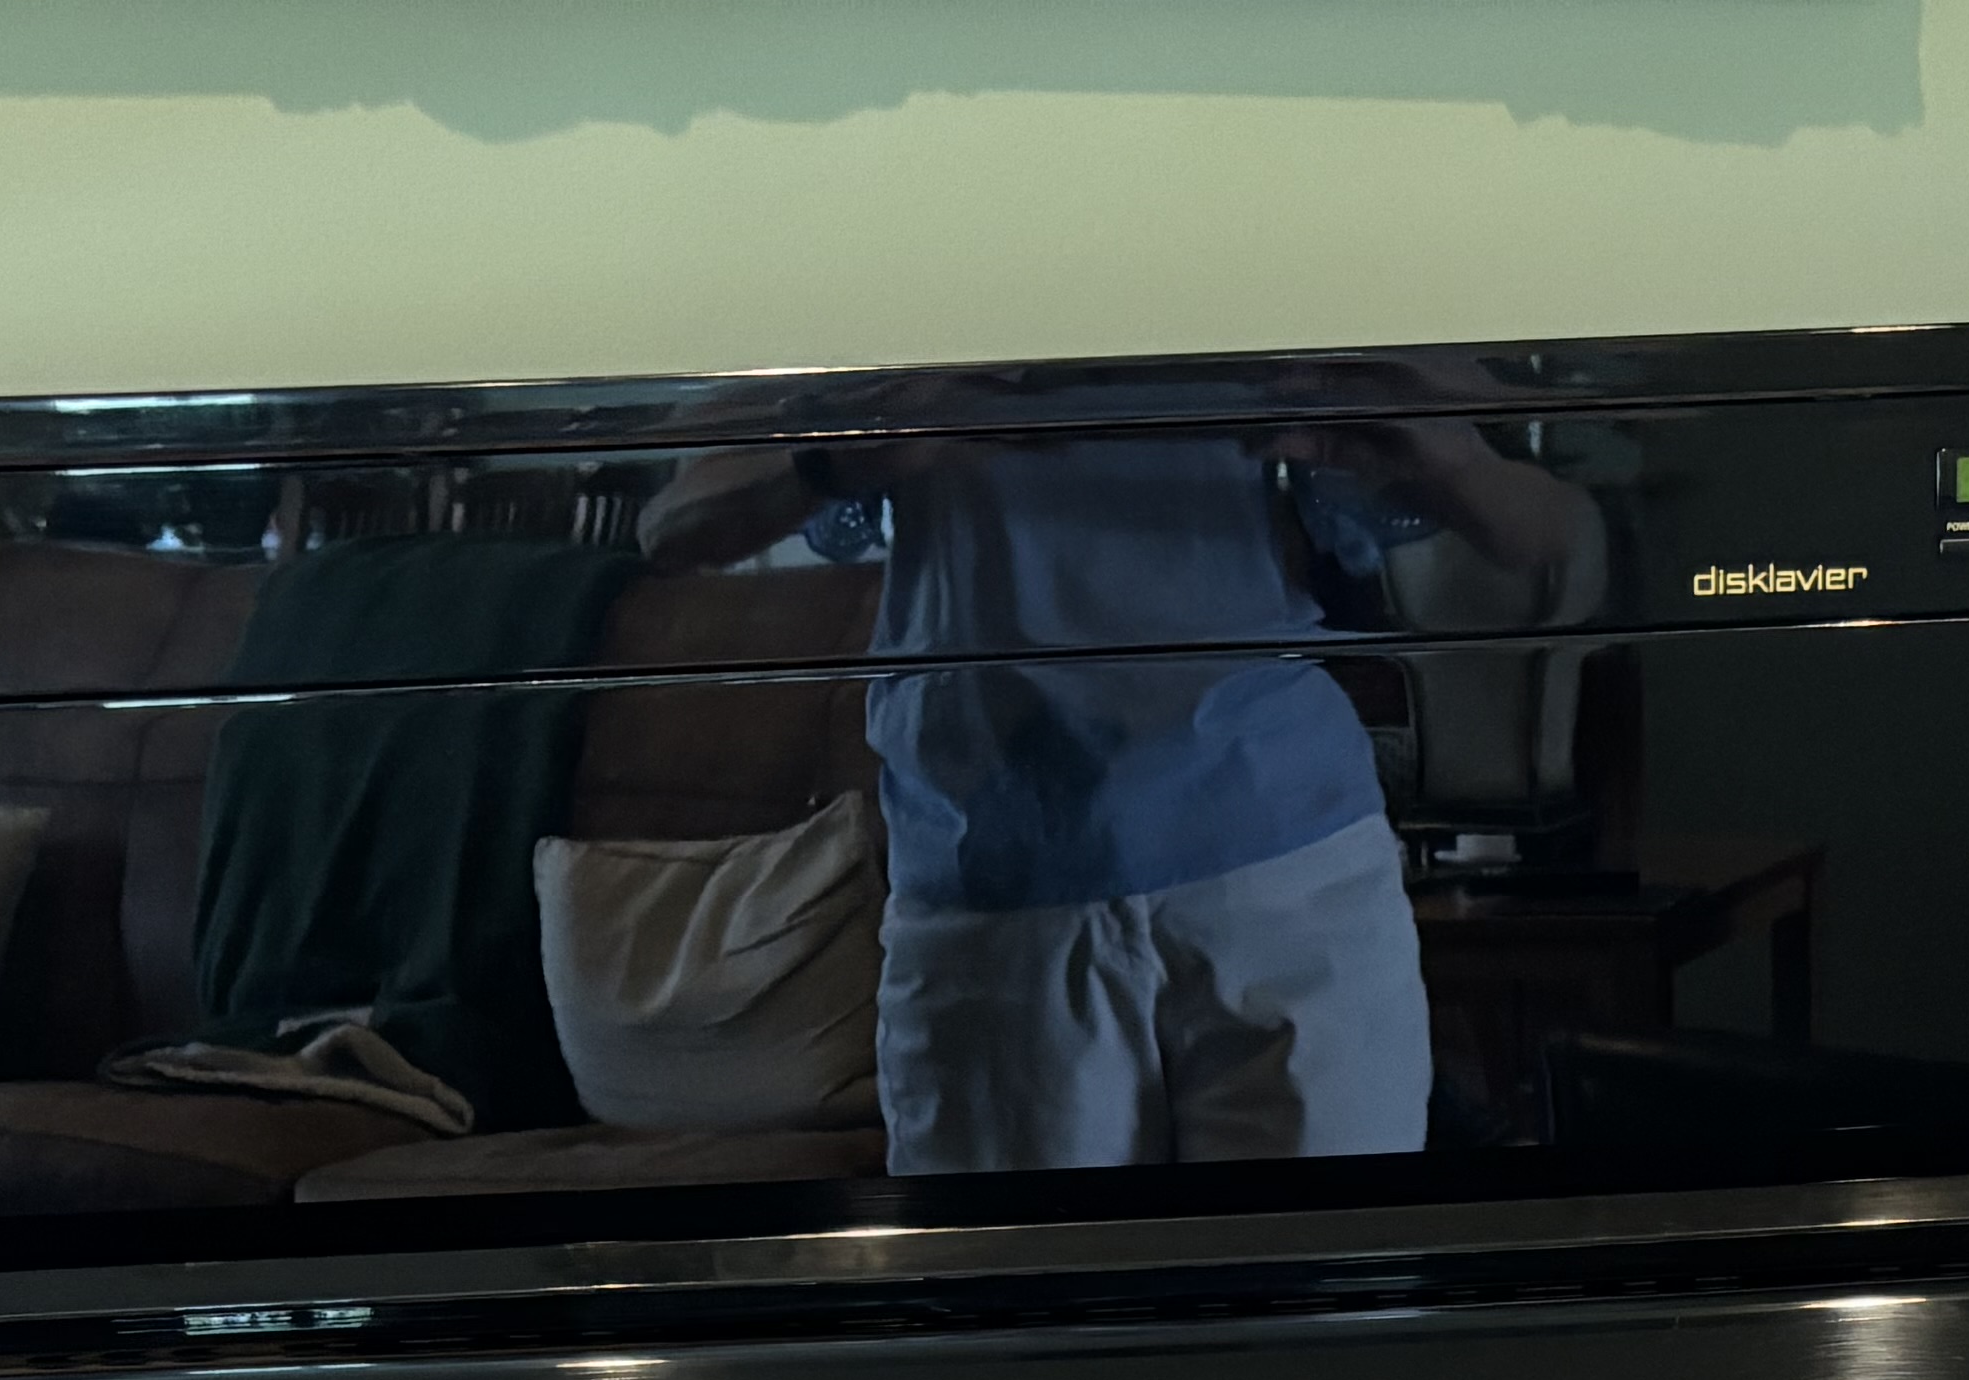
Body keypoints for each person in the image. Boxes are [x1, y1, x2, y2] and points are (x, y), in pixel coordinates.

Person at [649, 399, 1588, 1173]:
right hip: (998, 901)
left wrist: (1438, 452)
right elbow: (674, 522)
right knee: (1031, 1324)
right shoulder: (892, 289)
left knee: (1317, 1320)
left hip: (1287, 880)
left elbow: (1544, 531)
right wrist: (840, 458)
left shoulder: (1263, 277)